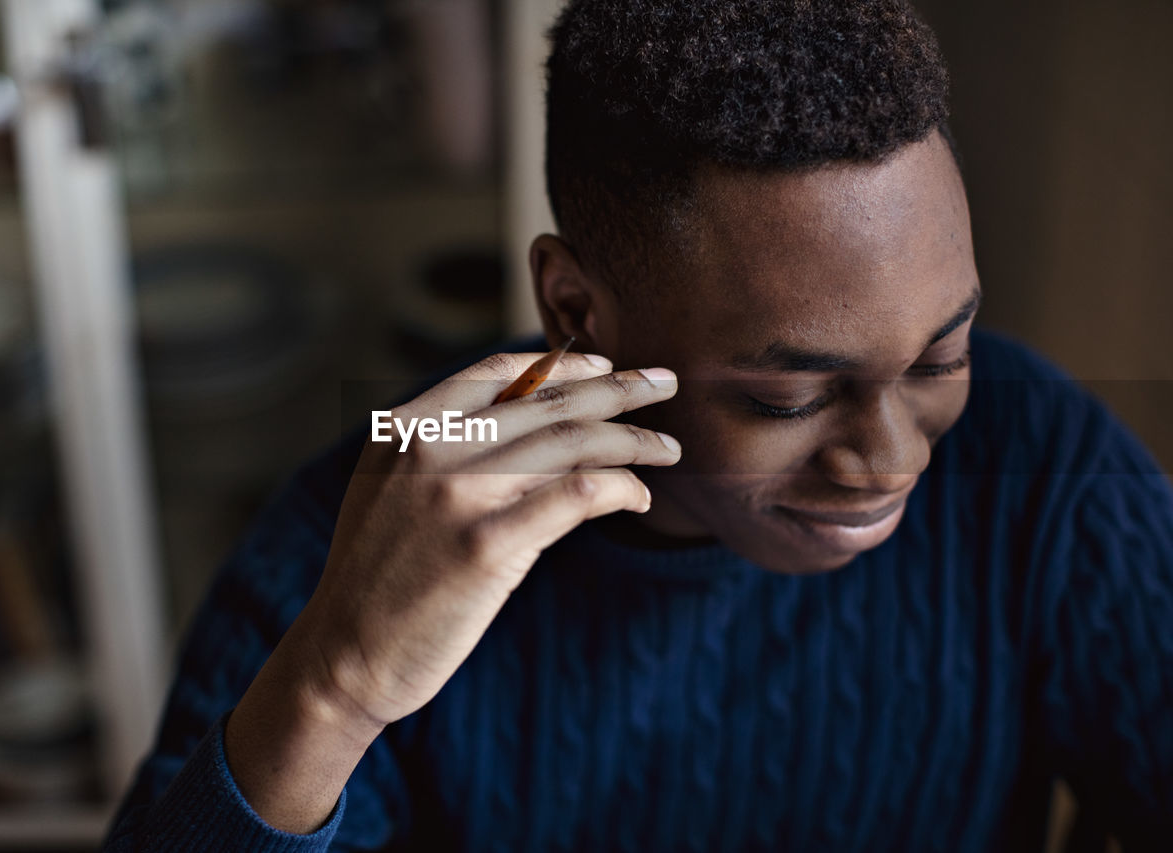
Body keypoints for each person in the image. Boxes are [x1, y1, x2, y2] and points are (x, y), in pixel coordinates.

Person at [103, 0, 1173, 850]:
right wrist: (335, 687)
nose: (890, 461)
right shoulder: (380, 519)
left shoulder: (1041, 465)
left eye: (941, 356)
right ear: (575, 311)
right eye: (785, 397)